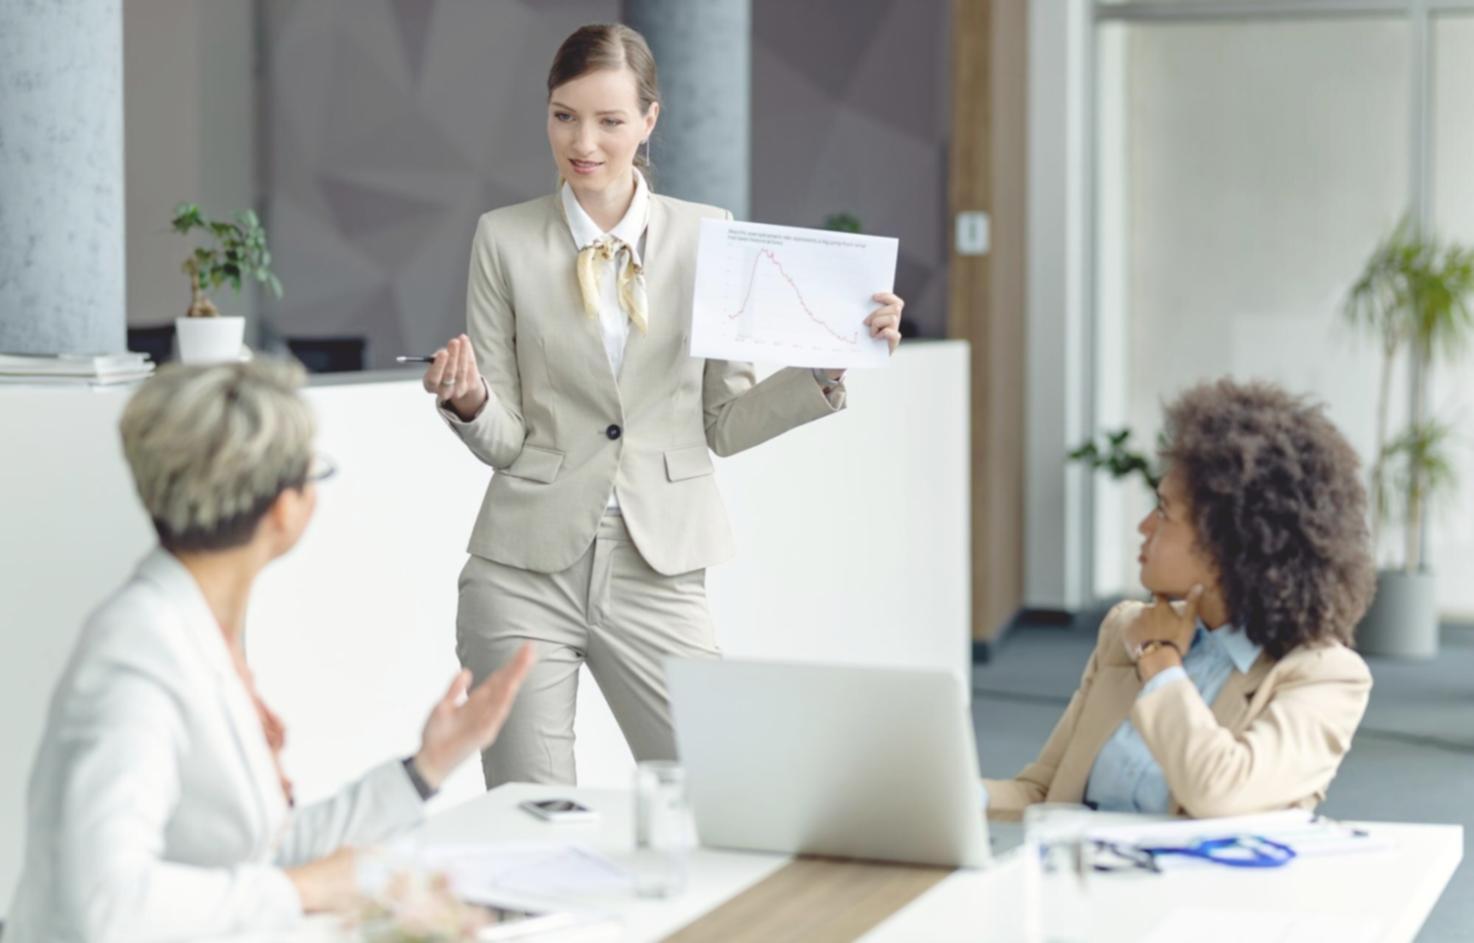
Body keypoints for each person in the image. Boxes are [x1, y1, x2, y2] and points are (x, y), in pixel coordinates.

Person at [421, 23, 906, 787]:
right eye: (564, 115)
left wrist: (823, 365)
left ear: (650, 120)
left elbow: (725, 420)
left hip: (659, 563)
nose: (584, 141)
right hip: (521, 571)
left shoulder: (709, 234)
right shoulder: (503, 240)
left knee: (719, 786)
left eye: (610, 120)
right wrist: (473, 399)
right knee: (531, 816)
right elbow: (509, 440)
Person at [6, 360, 535, 941]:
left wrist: (425, 769)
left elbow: (262, 850)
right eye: (315, 475)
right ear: (284, 508)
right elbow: (105, 905)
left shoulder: (195, 628)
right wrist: (304, 890)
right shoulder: (136, 658)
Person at [983, 379, 1376, 820]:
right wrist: (957, 796)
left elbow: (1219, 790)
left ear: (1228, 545)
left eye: (1165, 512)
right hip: (1076, 877)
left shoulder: (1322, 676)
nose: (1145, 527)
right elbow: (1043, 792)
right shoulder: (1125, 628)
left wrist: (1160, 663)